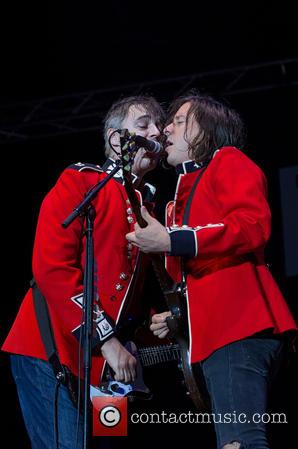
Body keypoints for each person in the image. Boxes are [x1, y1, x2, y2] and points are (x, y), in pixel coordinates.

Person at [126, 92, 298, 449]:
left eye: (177, 121)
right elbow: (193, 276)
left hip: (239, 325)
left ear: (206, 129)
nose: (165, 130)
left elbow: (251, 226)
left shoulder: (228, 160)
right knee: (233, 442)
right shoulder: (179, 197)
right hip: (214, 334)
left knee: (241, 442)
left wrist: (173, 240)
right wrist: (177, 318)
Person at [2, 95, 164, 449]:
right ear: (115, 139)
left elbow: (123, 292)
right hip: (52, 349)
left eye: (158, 126)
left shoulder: (145, 206)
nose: (157, 133)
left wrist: (155, 323)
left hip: (107, 369)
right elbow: (52, 269)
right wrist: (106, 340)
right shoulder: (81, 183)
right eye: (144, 126)